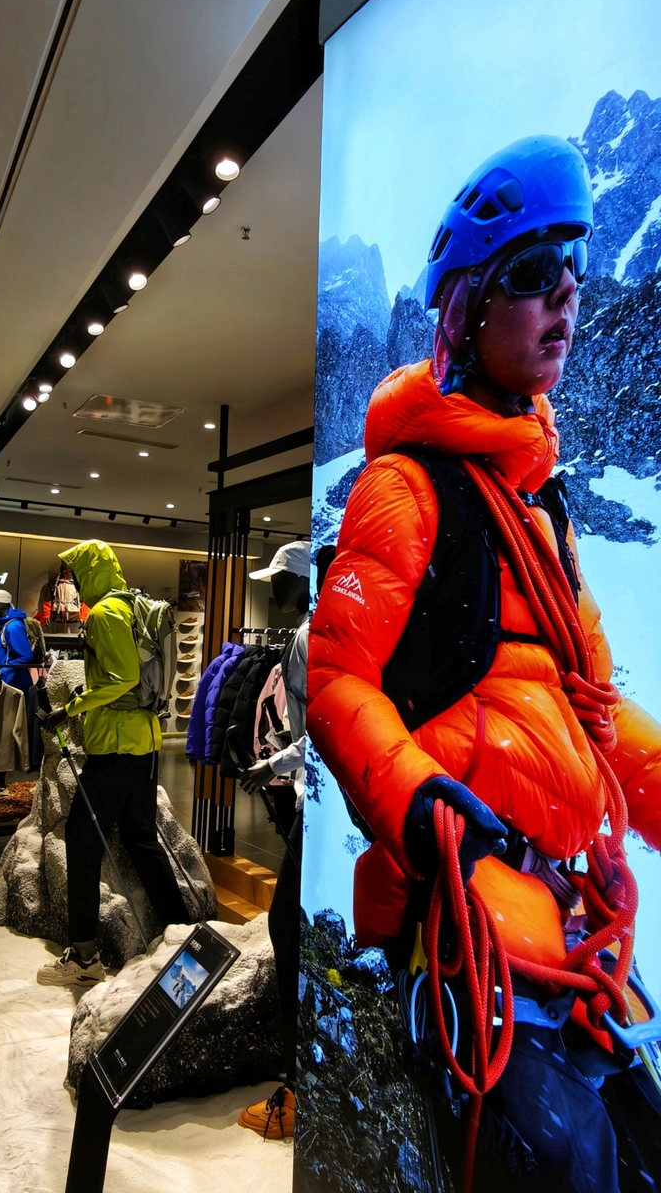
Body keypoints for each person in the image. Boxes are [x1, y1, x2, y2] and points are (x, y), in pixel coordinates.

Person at [307, 137, 661, 1191]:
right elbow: (335, 682)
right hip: (463, 913)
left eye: (573, 269)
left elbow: (592, 710)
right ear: (467, 308)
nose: (565, 294)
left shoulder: (540, 511)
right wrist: (417, 800)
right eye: (532, 272)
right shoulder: (403, 491)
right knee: (569, 1160)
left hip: (562, 910)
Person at [36, 539, 190, 987]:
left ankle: (84, 958)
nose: (72, 582)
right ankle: (184, 934)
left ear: (90, 573)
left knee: (82, 837)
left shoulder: (104, 613)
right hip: (144, 741)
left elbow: (122, 677)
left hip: (116, 744)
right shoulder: (132, 606)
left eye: (75, 573)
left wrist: (71, 708)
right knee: (141, 838)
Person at [237, 540, 310, 1139]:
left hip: (321, 809)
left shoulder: (308, 639)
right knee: (297, 928)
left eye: (280, 581)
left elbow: (324, 731)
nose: (273, 591)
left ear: (302, 583)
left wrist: (276, 764)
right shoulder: (322, 632)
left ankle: (296, 1084)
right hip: (334, 805)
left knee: (287, 928)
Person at [0, 588, 34, 693]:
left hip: (15, 687)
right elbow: (9, 655)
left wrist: (2, 672)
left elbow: (26, 656)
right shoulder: (7, 626)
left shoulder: (13, 627)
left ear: (1, 604)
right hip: (9, 684)